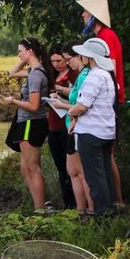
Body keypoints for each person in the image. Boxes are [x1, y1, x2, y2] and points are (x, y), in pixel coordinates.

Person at [79, 0, 125, 206]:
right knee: (105, 160)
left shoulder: (105, 37)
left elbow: (111, 68)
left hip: (106, 101)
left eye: (86, 12)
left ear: (94, 17)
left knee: (104, 161)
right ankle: (113, 203)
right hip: (107, 98)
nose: (83, 15)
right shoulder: (103, 36)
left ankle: (115, 201)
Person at [0, 37, 52, 209]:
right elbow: (12, 73)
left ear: (30, 51)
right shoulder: (33, 71)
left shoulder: (36, 75)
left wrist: (13, 101)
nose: (18, 54)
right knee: (25, 169)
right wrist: (25, 60)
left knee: (32, 167)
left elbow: (34, 105)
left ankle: (40, 210)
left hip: (32, 122)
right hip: (26, 122)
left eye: (21, 51)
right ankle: (39, 206)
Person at [68, 38, 117, 216]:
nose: (81, 56)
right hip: (105, 132)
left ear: (90, 57)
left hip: (91, 134)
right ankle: (109, 210)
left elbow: (82, 105)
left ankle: (102, 215)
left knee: (94, 177)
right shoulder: (107, 75)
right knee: (104, 173)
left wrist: (70, 113)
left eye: (83, 54)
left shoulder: (94, 76)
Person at [51, 40, 94, 215]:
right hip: (72, 125)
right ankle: (80, 210)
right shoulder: (83, 73)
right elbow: (75, 99)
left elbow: (82, 105)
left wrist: (62, 106)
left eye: (69, 58)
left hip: (79, 126)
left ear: (80, 56)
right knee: (72, 171)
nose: (67, 63)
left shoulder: (86, 75)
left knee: (82, 173)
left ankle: (91, 210)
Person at [47, 43, 77, 209]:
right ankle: (67, 202)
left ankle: (74, 203)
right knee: (60, 166)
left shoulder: (73, 75)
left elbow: (74, 96)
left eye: (59, 60)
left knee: (71, 167)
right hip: (53, 123)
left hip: (68, 123)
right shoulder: (53, 75)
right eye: (53, 61)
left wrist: (57, 89)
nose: (56, 64)